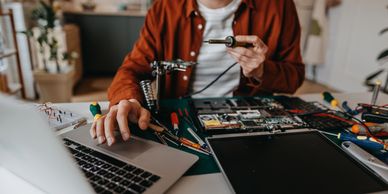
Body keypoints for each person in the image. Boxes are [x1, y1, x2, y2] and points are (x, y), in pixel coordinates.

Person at [90, 0, 305, 146]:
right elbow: (132, 69)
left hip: (252, 123)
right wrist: (127, 100)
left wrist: (262, 71)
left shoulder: (279, 6)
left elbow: (294, 76)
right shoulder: (165, 8)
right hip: (178, 120)